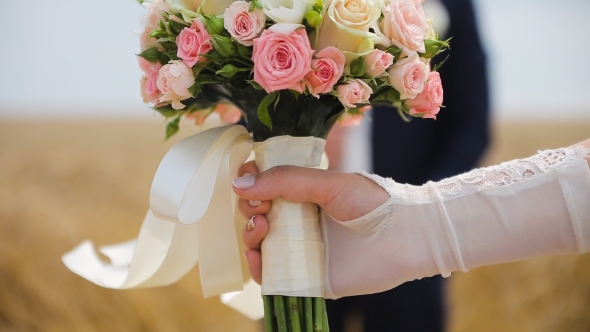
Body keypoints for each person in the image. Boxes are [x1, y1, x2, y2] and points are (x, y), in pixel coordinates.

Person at [232, 139, 590, 306]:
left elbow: (469, 124)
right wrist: (410, 228)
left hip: (416, 287)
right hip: (321, 245)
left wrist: (414, 226)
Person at [323, 0, 490, 329]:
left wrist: (420, 211)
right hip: (308, 232)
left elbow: (469, 128)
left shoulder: (452, 8)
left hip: (410, 236)